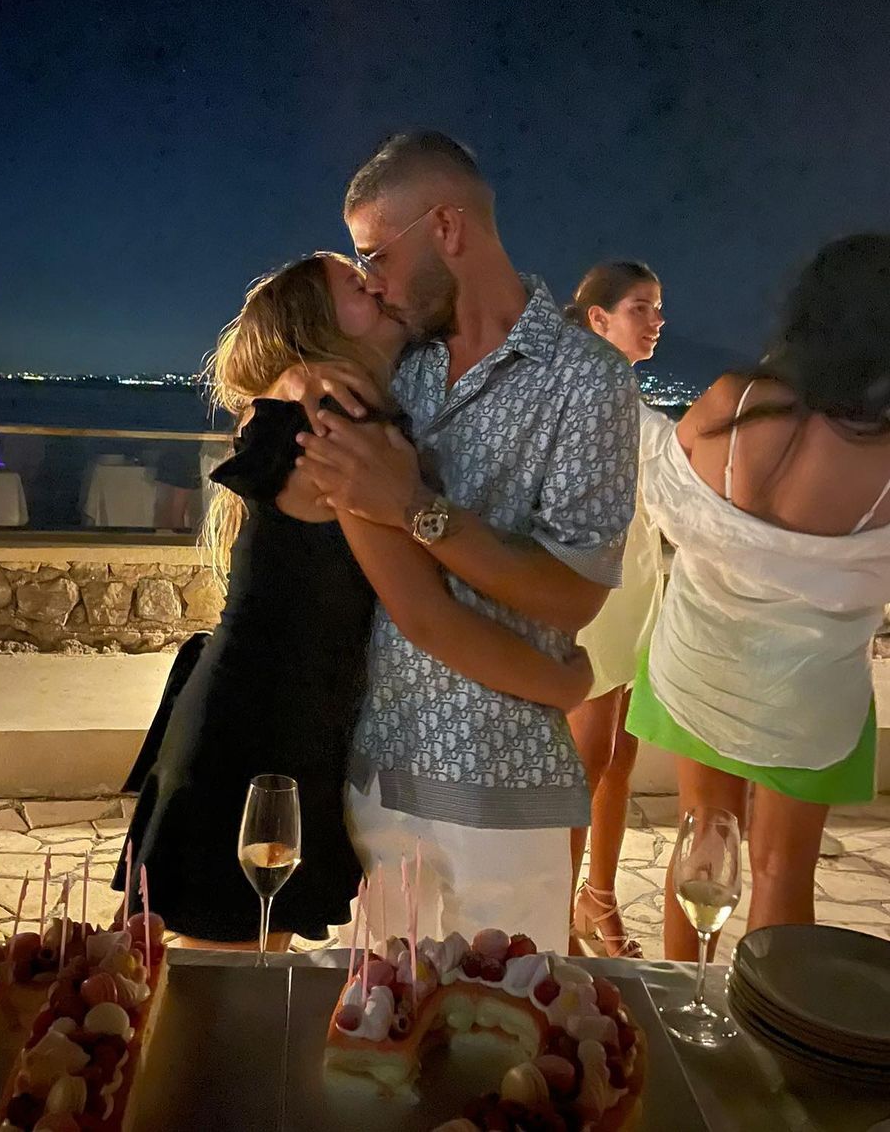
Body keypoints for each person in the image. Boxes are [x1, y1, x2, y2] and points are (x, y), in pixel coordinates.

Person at [116, 250, 594, 948]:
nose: (375, 283)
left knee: (224, 976)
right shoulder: (336, 422)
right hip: (258, 736)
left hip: (258, 720)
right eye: (354, 282)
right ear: (316, 322)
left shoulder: (315, 405)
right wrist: (562, 684)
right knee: (225, 989)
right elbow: (425, 615)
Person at [292, 132, 641, 950]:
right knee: (374, 1019)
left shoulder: (587, 378)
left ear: (447, 227)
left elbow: (573, 595)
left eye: (377, 254)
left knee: (511, 1021)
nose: (373, 280)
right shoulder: (393, 365)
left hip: (505, 789)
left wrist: (417, 508)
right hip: (376, 776)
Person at [626, 233, 890, 960]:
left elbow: (666, 494)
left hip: (700, 667)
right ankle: (767, 1024)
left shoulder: (734, 402)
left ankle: (679, 1011)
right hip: (808, 699)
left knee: (700, 842)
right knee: (781, 870)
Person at [564, 262, 666, 958]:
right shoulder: (579, 395)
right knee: (588, 758)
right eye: (640, 308)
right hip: (595, 591)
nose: (656, 321)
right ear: (598, 318)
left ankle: (597, 897)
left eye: (658, 309)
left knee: (622, 754)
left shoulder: (628, 397)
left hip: (639, 588)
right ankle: (553, 911)